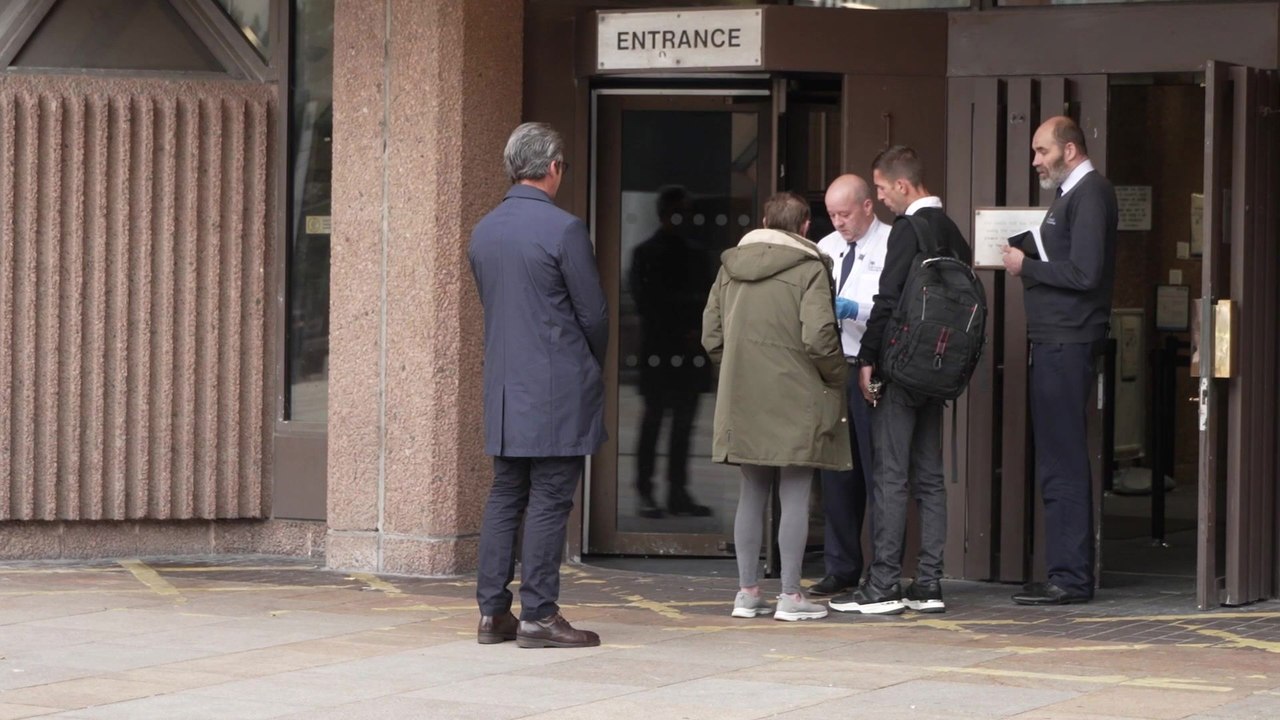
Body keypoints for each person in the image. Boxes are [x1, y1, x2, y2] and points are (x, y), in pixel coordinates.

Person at [469, 122, 607, 648]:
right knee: (550, 498)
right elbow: (593, 314)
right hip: (556, 386)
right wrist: (591, 364)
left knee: (505, 494)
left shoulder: (484, 229)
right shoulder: (564, 229)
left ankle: (491, 614)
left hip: (505, 386)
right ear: (553, 167)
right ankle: (540, 615)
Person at [830, 146, 971, 616]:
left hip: (901, 366)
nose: (884, 198)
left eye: (886, 189)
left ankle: (884, 583)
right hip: (940, 370)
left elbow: (887, 299)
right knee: (930, 477)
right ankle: (929, 582)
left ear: (904, 186)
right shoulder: (953, 231)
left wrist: (868, 356)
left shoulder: (908, 230)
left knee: (890, 475)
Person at [702, 191, 851, 622]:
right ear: (806, 227)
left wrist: (735, 367)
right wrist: (835, 376)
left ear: (765, 220)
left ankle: (747, 592)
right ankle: (790, 596)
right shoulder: (810, 268)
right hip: (796, 392)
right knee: (795, 492)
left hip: (743, 391)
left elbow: (711, 335)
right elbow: (819, 336)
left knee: (752, 491)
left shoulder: (730, 266)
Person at [1004, 116, 1117, 606]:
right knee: (1057, 458)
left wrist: (1025, 266)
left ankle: (1070, 578)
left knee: (1063, 460)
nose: (1036, 161)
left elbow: (1087, 272)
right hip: (1057, 341)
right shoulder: (1072, 194)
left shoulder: (1090, 192)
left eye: (1041, 151)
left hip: (1066, 343)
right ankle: (1064, 571)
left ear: (1069, 150)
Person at [808, 174, 891, 598]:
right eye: (831, 214)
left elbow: (892, 307)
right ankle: (840, 566)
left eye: (844, 214)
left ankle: (881, 568)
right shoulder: (826, 247)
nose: (838, 222)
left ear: (867, 207)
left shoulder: (891, 244)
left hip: (871, 365)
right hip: (833, 366)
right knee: (837, 472)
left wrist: (854, 308)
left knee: (877, 471)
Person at [628, 186, 714, 519]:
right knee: (654, 422)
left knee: (682, 425)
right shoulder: (646, 253)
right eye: (680, 212)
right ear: (664, 214)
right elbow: (646, 301)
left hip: (687, 349)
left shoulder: (696, 252)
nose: (686, 219)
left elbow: (707, 298)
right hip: (661, 348)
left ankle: (677, 491)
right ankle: (646, 491)